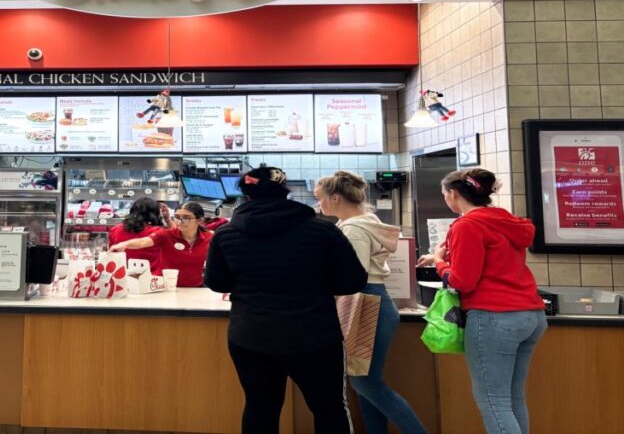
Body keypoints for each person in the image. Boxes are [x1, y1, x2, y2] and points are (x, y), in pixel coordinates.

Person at [204, 166, 367, 434]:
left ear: (246, 195)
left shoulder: (226, 234)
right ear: (284, 192)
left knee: (259, 408)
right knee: (329, 408)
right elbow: (353, 281)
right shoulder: (322, 231)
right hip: (315, 336)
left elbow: (217, 282)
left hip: (250, 336)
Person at [418, 169, 545, 434]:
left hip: (494, 317)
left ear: (454, 193)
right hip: (531, 314)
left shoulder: (466, 225)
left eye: (445, 195)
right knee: (512, 398)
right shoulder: (505, 220)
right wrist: (443, 257)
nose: (446, 200)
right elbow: (492, 258)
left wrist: (440, 263)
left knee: (493, 401)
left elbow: (462, 282)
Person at [315, 171, 427, 434]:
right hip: (373, 301)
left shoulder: (354, 229)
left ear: (335, 198)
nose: (318, 204)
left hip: (365, 302)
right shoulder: (364, 221)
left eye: (320, 198)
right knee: (364, 381)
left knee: (365, 382)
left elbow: (353, 275)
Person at [109, 201, 212, 287]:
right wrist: (124, 244)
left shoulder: (210, 237)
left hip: (196, 288)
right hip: (164, 287)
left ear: (199, 220)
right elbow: (143, 242)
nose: (179, 221)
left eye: (186, 218)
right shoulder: (166, 234)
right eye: (177, 217)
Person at [107, 197, 168, 274]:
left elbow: (112, 253)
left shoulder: (115, 229)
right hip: (151, 277)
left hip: (122, 275)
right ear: (155, 213)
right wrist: (168, 219)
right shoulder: (158, 232)